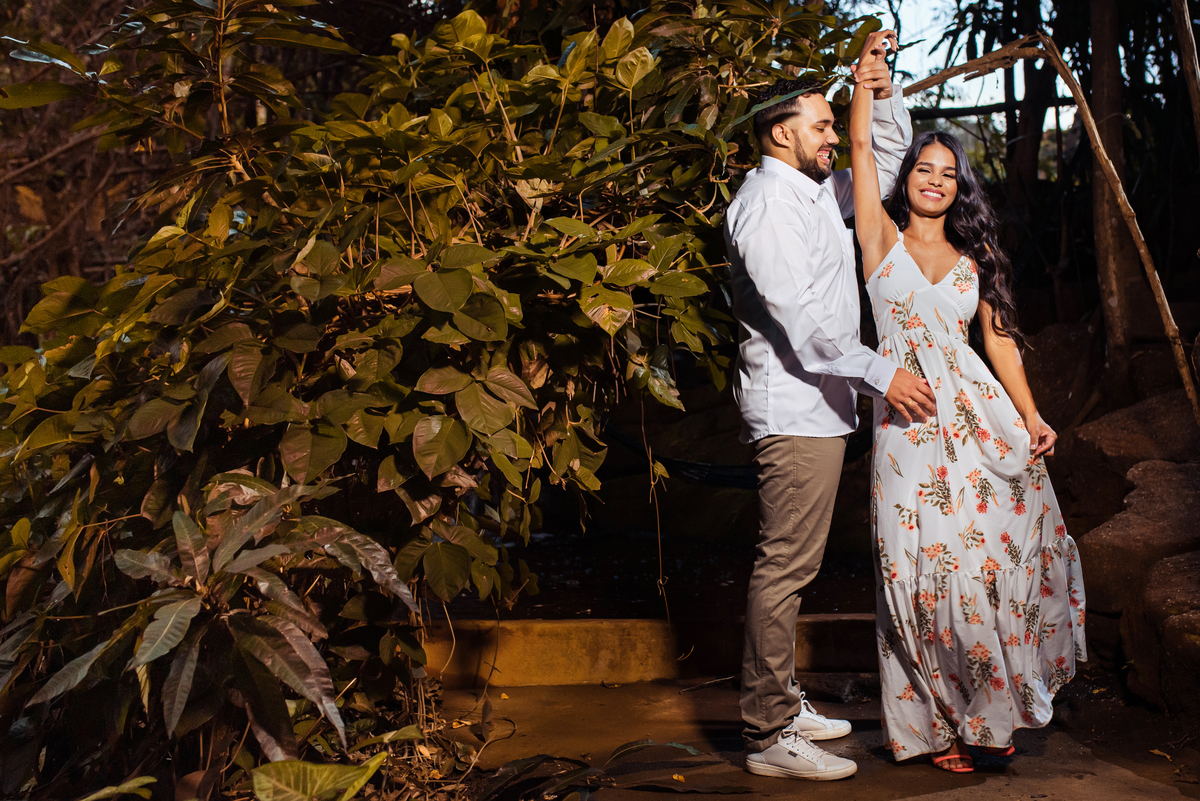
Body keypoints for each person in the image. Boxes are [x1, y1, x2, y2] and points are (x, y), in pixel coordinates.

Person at [848, 35, 1087, 773]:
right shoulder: (879, 238)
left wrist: (1033, 414)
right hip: (905, 427)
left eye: (949, 174)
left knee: (978, 568)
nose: (936, 181)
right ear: (907, 178)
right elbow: (860, 147)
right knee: (912, 570)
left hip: (976, 424)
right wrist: (865, 78)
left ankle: (985, 711)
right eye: (924, 168)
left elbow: (1001, 342)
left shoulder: (974, 259)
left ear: (960, 190)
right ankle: (934, 725)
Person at [723, 31, 935, 781]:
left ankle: (781, 701)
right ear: (782, 133)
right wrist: (883, 374)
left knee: (795, 563)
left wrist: (878, 88)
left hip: (819, 407)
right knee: (784, 566)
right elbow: (803, 324)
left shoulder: (813, 190)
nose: (831, 138)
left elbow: (887, 162)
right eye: (820, 126)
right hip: (792, 410)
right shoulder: (764, 207)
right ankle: (767, 732)